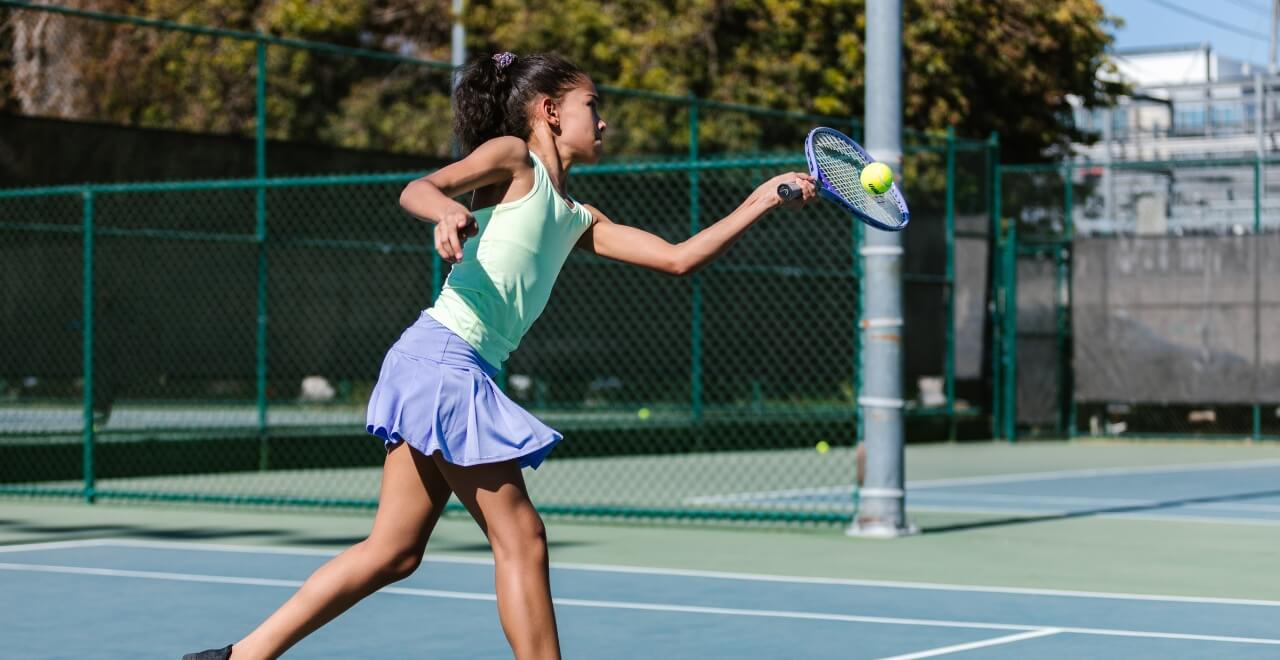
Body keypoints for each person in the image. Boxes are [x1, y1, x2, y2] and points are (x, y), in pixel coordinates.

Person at [184, 51, 815, 660]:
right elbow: (419, 187)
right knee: (522, 539)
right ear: (547, 110)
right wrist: (446, 211)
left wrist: (763, 197)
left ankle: (240, 657)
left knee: (394, 551)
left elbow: (679, 258)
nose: (603, 121)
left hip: (442, 364)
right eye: (590, 106)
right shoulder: (515, 160)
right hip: (443, 361)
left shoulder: (578, 216)